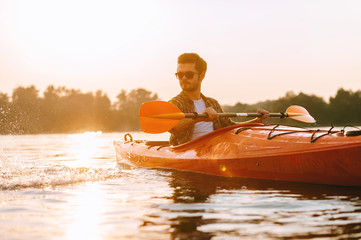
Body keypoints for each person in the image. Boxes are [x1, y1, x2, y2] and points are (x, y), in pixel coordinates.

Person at [169, 53, 269, 146]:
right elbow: (172, 127)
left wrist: (257, 120)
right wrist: (200, 118)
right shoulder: (175, 103)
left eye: (189, 74)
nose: (184, 78)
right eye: (180, 75)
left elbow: (230, 127)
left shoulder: (212, 103)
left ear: (202, 75)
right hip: (187, 153)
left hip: (215, 151)